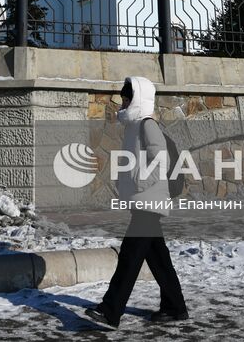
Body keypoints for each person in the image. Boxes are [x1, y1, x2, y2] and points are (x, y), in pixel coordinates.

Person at [85, 75, 189, 328]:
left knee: (129, 257)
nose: (123, 103)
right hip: (144, 202)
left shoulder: (147, 125)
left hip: (150, 202)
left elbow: (160, 160)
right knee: (158, 259)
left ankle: (111, 310)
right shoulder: (133, 127)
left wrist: (139, 184)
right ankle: (175, 307)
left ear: (138, 99)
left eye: (127, 98)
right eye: (123, 98)